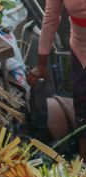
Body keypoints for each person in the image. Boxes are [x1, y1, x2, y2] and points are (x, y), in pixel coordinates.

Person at [27, 0, 86, 158]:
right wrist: (41, 64)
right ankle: (82, 166)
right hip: (81, 48)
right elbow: (51, 17)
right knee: (82, 105)